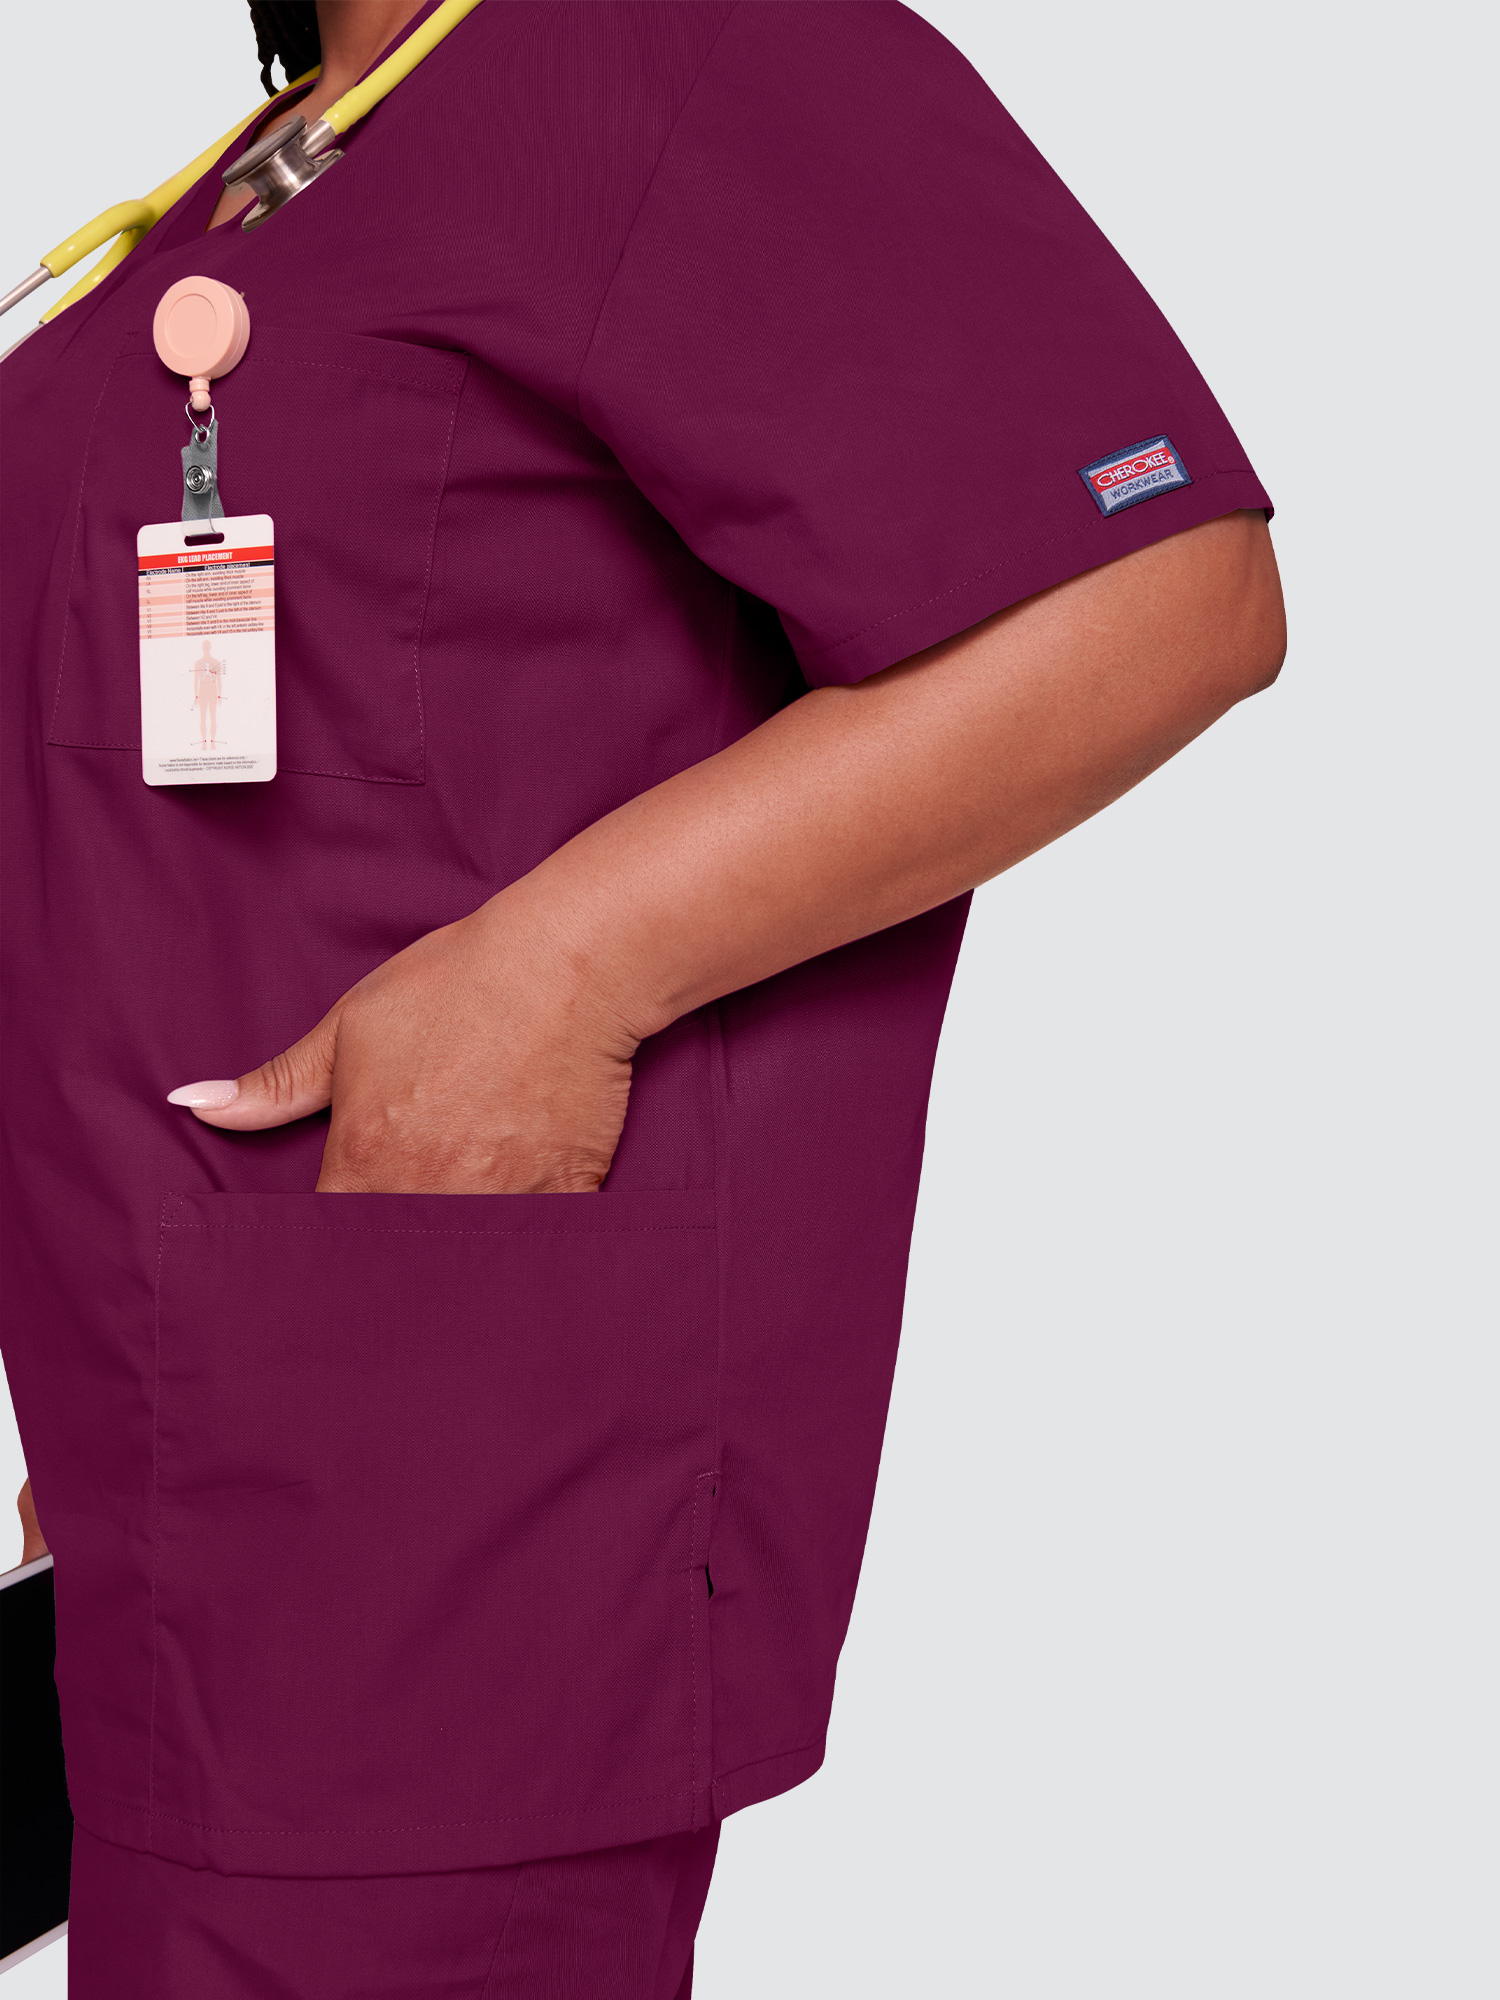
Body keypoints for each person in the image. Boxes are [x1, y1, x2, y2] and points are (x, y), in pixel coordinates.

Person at [0, 1, 1284, 1993]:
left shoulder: (680, 45)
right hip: (191, 1454)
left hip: (451, 1470)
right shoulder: (275, 168)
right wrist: (130, 1382)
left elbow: (1152, 594)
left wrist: (554, 977)